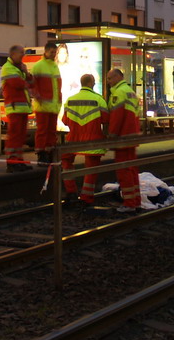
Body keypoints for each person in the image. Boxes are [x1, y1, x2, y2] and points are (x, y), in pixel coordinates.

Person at [60, 74, 107, 207]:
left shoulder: (70, 100)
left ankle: (71, 192)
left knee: (66, 161)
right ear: (92, 83)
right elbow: (106, 120)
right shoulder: (99, 99)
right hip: (93, 140)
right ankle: (86, 197)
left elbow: (65, 121)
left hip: (73, 139)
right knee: (91, 168)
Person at [105, 68, 141, 213]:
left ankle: (129, 203)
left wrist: (112, 134)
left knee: (123, 171)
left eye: (109, 78)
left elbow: (116, 116)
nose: (108, 82)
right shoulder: (130, 91)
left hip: (122, 137)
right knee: (132, 169)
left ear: (118, 77)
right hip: (132, 136)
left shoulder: (118, 93)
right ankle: (136, 201)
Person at [0, 45, 33, 173]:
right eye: (21, 53)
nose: (22, 56)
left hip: (22, 108)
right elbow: (20, 84)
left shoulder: (18, 68)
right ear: (13, 54)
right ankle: (12, 162)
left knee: (20, 136)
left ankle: (19, 161)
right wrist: (26, 74)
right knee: (14, 136)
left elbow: (32, 83)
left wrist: (26, 75)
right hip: (14, 107)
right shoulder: (7, 68)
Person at [30, 41, 62, 164]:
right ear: (46, 51)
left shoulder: (54, 66)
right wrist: (37, 97)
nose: (54, 54)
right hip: (43, 105)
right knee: (42, 131)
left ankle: (49, 152)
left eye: (55, 52)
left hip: (53, 105)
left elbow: (57, 86)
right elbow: (32, 84)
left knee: (51, 131)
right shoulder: (39, 66)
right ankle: (41, 153)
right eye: (52, 52)